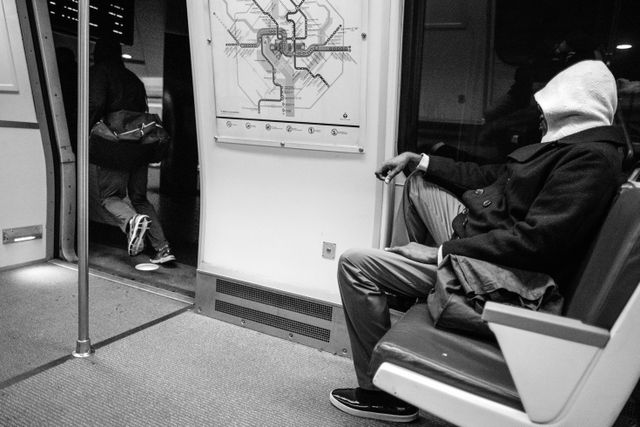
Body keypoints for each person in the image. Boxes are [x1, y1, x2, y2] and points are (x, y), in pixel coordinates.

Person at [330, 60, 627, 422]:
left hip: (503, 277)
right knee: (419, 183)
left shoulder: (588, 161)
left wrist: (439, 251)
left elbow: (535, 243)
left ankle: (380, 395)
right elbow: (492, 175)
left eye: (547, 109)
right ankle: (410, 283)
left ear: (570, 108)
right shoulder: (571, 147)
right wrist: (420, 160)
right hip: (487, 238)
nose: (540, 117)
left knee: (355, 264)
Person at [89, 37, 175, 264]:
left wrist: (86, 130)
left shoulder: (100, 72)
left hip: (114, 145)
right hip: (140, 145)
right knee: (139, 197)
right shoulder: (133, 78)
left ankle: (131, 221)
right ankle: (162, 249)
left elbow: (95, 104)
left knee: (109, 197)